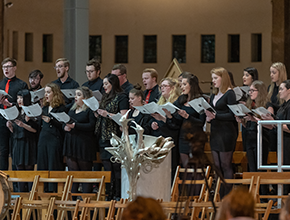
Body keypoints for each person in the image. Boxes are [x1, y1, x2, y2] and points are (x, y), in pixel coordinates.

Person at [95, 73, 129, 200]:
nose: (104, 86)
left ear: (113, 84)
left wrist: (107, 114)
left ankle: (118, 195)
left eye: (106, 84)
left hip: (115, 137)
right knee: (107, 169)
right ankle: (109, 194)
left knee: (116, 168)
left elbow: (123, 118)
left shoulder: (121, 97)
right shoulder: (105, 97)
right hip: (104, 137)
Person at [206, 67, 238, 197]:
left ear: (223, 78)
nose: (213, 81)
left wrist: (215, 116)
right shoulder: (214, 94)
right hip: (215, 132)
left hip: (226, 133)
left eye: (215, 78)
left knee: (225, 165)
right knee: (217, 165)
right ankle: (219, 193)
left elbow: (232, 114)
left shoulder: (230, 94)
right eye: (212, 78)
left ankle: (227, 195)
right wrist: (209, 117)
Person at [163, 73, 205, 167]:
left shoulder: (200, 100)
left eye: (184, 84)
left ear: (192, 85)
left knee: (196, 168)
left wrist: (188, 117)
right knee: (185, 167)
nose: (182, 87)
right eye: (181, 84)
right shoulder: (181, 100)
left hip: (196, 138)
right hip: (183, 138)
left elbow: (201, 122)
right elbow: (177, 122)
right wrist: (169, 116)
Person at [63, 86, 97, 194]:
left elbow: (91, 126)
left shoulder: (89, 111)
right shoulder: (72, 109)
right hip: (71, 143)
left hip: (83, 144)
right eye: (75, 94)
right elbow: (65, 121)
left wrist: (75, 126)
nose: (75, 97)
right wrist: (65, 127)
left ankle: (85, 201)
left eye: (78, 95)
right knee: (73, 174)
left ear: (85, 97)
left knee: (84, 175)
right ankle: (73, 202)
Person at [6, 89, 38, 192]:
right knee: (19, 172)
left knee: (28, 172)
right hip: (17, 144)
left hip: (28, 143)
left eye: (21, 98)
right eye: (18, 98)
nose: (19, 100)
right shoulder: (16, 111)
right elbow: (15, 131)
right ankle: (21, 198)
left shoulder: (31, 111)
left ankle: (30, 198)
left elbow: (35, 130)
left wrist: (24, 125)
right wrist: (10, 127)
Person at [37, 83, 66, 191]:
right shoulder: (44, 108)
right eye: (45, 92)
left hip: (54, 139)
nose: (46, 95)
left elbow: (63, 124)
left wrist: (52, 120)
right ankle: (42, 192)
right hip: (43, 139)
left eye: (48, 92)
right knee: (42, 166)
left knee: (53, 165)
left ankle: (53, 191)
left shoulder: (61, 108)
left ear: (55, 94)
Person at [0, 57, 28, 170]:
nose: (6, 69)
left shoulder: (21, 84)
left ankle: (16, 184)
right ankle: (2, 183)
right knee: (2, 151)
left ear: (14, 68)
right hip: (2, 120)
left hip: (16, 121)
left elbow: (25, 104)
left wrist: (11, 104)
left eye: (8, 67)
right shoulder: (1, 84)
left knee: (14, 150)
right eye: (4, 67)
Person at [236, 81, 270, 172]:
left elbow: (271, 125)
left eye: (252, 90)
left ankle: (262, 186)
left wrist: (255, 119)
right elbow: (248, 125)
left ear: (260, 91)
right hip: (249, 139)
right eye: (249, 91)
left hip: (262, 139)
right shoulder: (250, 106)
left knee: (260, 168)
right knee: (251, 168)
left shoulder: (267, 105)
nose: (250, 93)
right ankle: (254, 186)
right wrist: (241, 121)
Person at [267, 62, 287, 152]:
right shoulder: (270, 88)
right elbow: (267, 102)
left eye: (274, 72)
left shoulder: (285, 88)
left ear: (281, 73)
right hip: (271, 124)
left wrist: (271, 106)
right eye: (270, 72)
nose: (271, 75)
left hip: (282, 123)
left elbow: (284, 105)